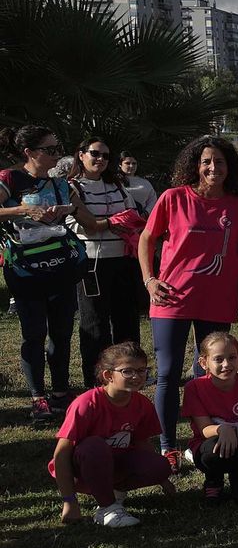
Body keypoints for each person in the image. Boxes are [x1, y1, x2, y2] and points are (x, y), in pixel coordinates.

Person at [139, 136, 238, 466]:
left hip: (218, 300)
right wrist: (149, 280)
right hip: (172, 298)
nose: (213, 167)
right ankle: (168, 445)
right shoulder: (173, 198)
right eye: (206, 161)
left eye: (220, 161)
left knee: (209, 374)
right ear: (195, 166)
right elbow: (147, 238)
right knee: (168, 373)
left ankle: (203, 438)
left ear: (230, 167)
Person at [0, 126, 107, 426]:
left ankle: (60, 392)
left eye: (58, 148)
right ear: (29, 153)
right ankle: (38, 397)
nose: (57, 154)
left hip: (61, 267)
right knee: (33, 334)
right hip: (25, 270)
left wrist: (119, 220)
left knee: (61, 333)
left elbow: (89, 222)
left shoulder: (62, 185)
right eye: (49, 149)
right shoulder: (10, 179)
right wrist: (23, 210)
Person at [50, 342, 172, 528]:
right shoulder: (86, 403)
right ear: (108, 375)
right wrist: (69, 501)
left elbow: (142, 443)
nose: (136, 376)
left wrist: (162, 478)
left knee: (160, 465)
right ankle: (107, 508)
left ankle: (112, 492)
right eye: (127, 371)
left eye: (141, 370)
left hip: (116, 465)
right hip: (84, 468)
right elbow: (61, 454)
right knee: (94, 446)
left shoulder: (142, 404)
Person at [71, 137, 146, 389]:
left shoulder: (117, 184)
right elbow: (80, 226)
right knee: (95, 324)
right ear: (81, 155)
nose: (100, 159)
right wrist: (112, 222)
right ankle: (96, 381)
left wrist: (109, 223)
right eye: (95, 153)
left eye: (105, 155)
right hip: (92, 262)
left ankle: (130, 374)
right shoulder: (72, 187)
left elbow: (131, 214)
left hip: (123, 259)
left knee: (127, 320)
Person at [182, 332, 238, 508]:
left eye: (232, 357)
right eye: (218, 359)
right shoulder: (194, 388)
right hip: (211, 446)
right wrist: (222, 429)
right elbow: (204, 428)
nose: (226, 364)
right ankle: (214, 480)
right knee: (212, 453)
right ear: (204, 363)